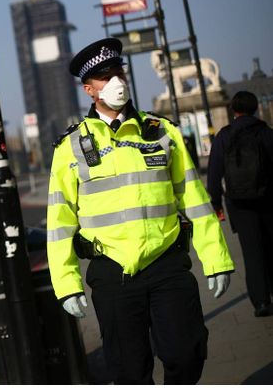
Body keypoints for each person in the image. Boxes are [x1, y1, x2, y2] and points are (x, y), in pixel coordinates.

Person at [46, 38, 235, 384]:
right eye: (105, 76)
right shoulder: (70, 148)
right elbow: (59, 223)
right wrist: (66, 284)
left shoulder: (163, 133)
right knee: (128, 372)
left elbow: (194, 200)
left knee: (188, 353)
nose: (116, 80)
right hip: (112, 274)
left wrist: (217, 259)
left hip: (167, 265)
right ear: (89, 89)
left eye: (119, 71)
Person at [207, 91, 273, 318]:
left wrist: (216, 204)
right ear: (255, 108)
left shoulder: (224, 136)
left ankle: (261, 302)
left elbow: (214, 174)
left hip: (239, 203)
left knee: (251, 252)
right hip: (267, 200)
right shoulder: (265, 132)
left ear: (233, 110)